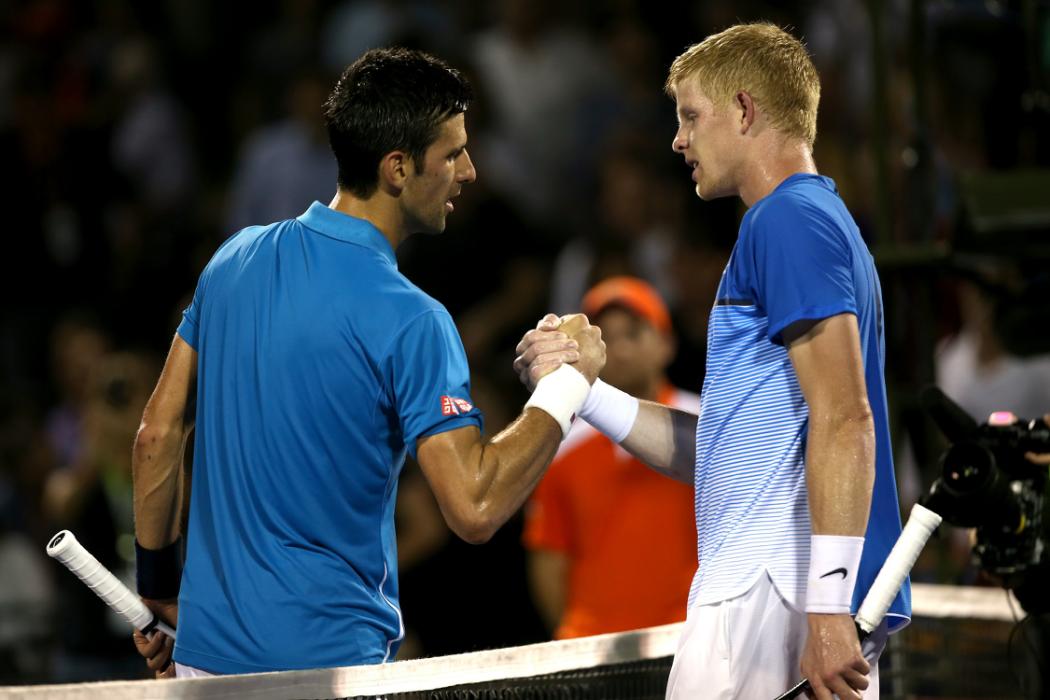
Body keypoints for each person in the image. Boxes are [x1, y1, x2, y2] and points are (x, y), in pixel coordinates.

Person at [130, 47, 605, 678]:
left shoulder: (233, 260)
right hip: (328, 675)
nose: (469, 171)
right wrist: (567, 385)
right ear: (398, 168)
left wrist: (159, 586)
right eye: (454, 152)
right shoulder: (414, 319)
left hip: (202, 664)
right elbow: (475, 506)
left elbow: (157, 437)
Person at [515, 23, 908, 700]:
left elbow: (847, 417)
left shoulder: (786, 220)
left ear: (746, 111)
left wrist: (827, 609)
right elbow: (726, 451)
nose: (678, 140)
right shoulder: (810, 222)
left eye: (691, 117)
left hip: (768, 603)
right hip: (777, 601)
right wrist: (585, 390)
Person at [523, 276, 697, 639]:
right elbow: (549, 558)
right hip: (594, 649)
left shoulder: (705, 426)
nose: (619, 350)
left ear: (666, 343)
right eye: (607, 338)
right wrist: (575, 643)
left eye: (632, 334)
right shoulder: (561, 442)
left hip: (691, 639)